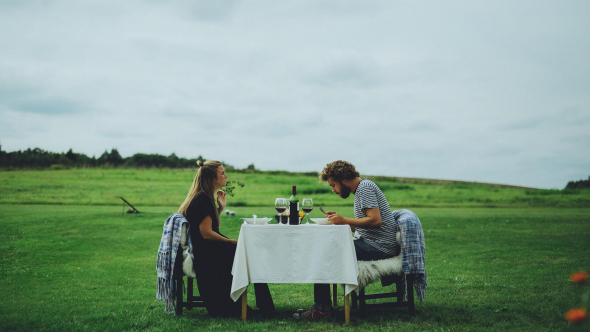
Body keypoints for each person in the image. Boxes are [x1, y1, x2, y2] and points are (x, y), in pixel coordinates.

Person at [294, 160, 399, 319]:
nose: (333, 190)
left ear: (342, 179)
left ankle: (322, 309)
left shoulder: (365, 188)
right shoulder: (362, 189)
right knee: (324, 249)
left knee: (322, 253)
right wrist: (340, 222)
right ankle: (322, 307)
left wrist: (345, 221)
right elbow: (367, 226)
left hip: (379, 246)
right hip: (373, 242)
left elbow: (376, 221)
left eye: (333, 185)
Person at [178, 160, 274, 317]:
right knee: (249, 254)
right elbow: (206, 233)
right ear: (213, 178)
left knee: (247, 252)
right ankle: (262, 307)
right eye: (222, 173)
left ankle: (260, 306)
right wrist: (230, 242)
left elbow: (205, 225)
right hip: (207, 255)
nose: (226, 176)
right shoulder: (203, 199)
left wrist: (220, 208)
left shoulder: (203, 197)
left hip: (205, 250)